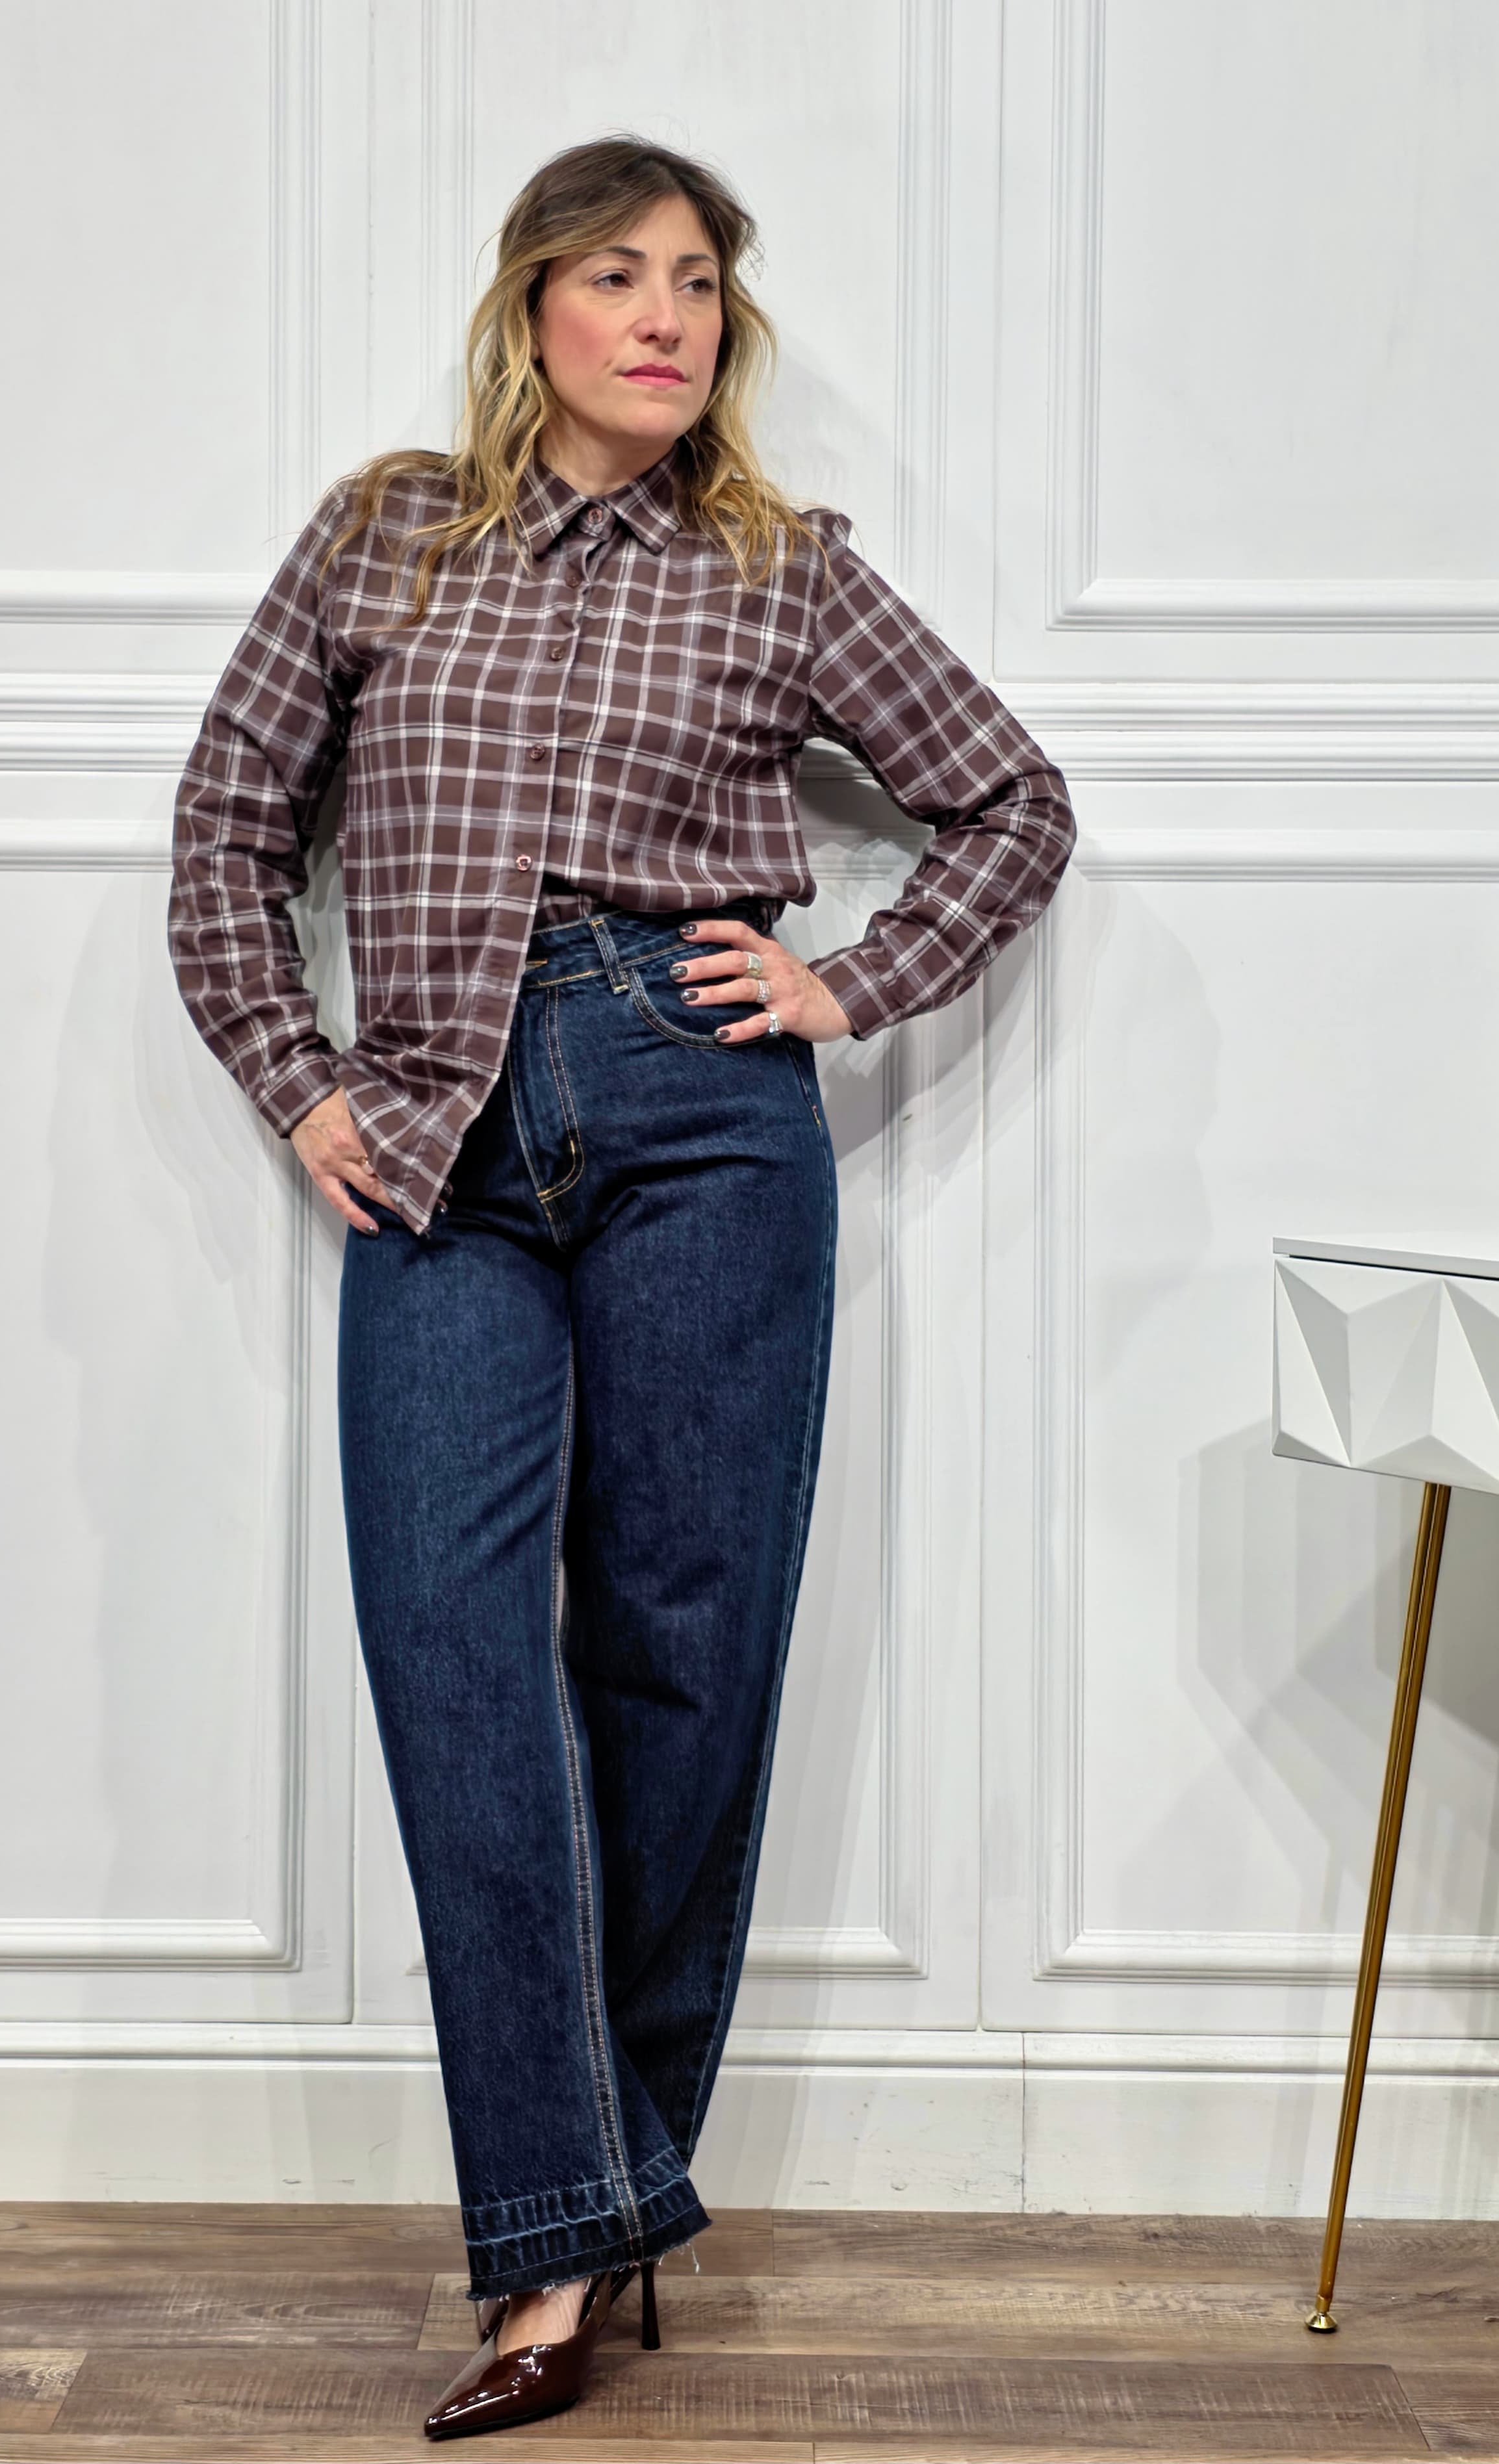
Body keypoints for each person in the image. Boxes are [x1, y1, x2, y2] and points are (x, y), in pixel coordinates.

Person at [169, 133, 1074, 2443]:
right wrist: (296, 1080)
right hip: (436, 1135)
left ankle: (559, 2248)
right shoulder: (383, 535)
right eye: (616, 276)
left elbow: (1012, 803)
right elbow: (226, 837)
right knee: (455, 1652)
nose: (664, 318)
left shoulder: (783, 568)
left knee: (682, 1648)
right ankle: (588, 2201)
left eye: (695, 284)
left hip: (700, 1113)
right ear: (531, 310)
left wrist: (847, 985)